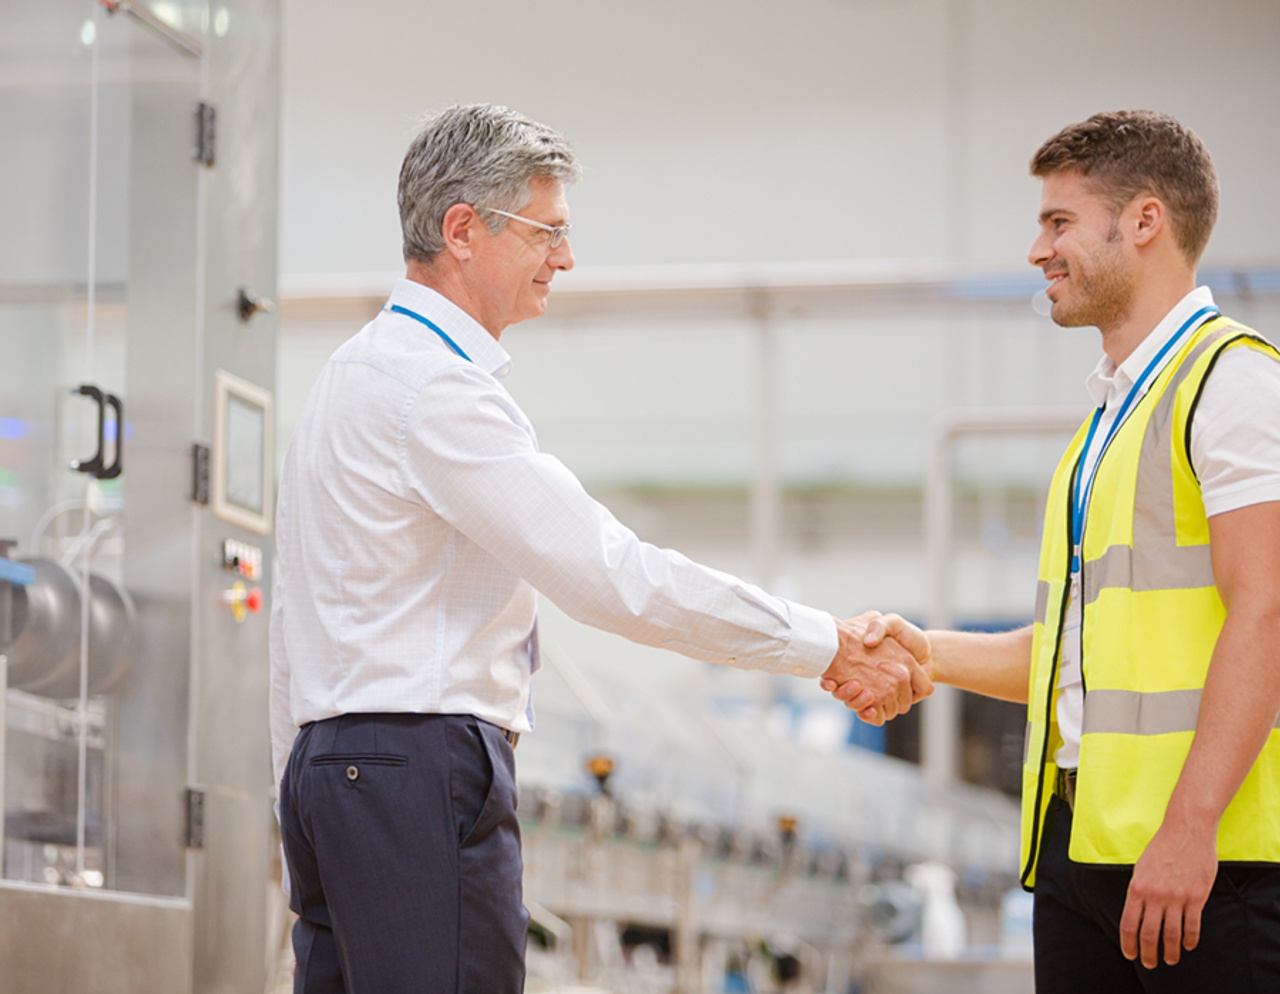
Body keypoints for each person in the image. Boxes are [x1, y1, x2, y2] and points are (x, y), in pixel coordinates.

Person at [269, 103, 930, 994]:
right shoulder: (434, 391)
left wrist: (300, 794)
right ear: (463, 230)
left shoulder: (348, 377)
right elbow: (614, 577)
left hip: (333, 775)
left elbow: (290, 626)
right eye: (548, 232)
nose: (566, 259)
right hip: (416, 769)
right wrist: (822, 643)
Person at [828, 109, 1280, 991]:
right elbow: (1071, 659)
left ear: (1145, 221)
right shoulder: (1105, 428)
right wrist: (923, 650)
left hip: (1206, 864)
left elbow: (1267, 609)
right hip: (1084, 857)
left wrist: (1191, 828)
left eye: (1059, 221)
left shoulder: (1232, 387)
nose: (1038, 249)